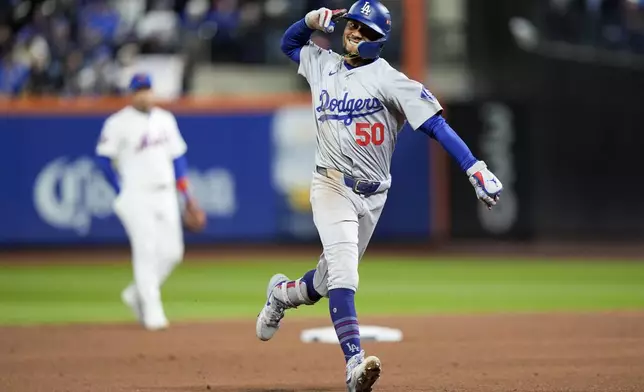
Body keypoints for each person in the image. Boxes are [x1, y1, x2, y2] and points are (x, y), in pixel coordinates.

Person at [255, 1, 503, 391]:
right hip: (331, 184)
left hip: (373, 195)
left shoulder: (390, 80)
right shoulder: (324, 63)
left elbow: (436, 125)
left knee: (323, 282)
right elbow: (289, 45)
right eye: (352, 26)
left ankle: (282, 294)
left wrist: (474, 166)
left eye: (363, 30)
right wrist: (308, 21)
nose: (353, 33)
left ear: (378, 41)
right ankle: (354, 365)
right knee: (344, 273)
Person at [95, 73, 205, 331]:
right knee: (145, 250)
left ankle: (135, 294)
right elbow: (103, 159)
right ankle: (153, 312)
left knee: (173, 253)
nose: (144, 94)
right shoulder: (117, 122)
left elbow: (178, 159)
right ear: (131, 93)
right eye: (139, 90)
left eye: (147, 89)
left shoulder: (165, 119)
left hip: (165, 192)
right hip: (135, 195)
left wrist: (187, 196)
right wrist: (119, 190)